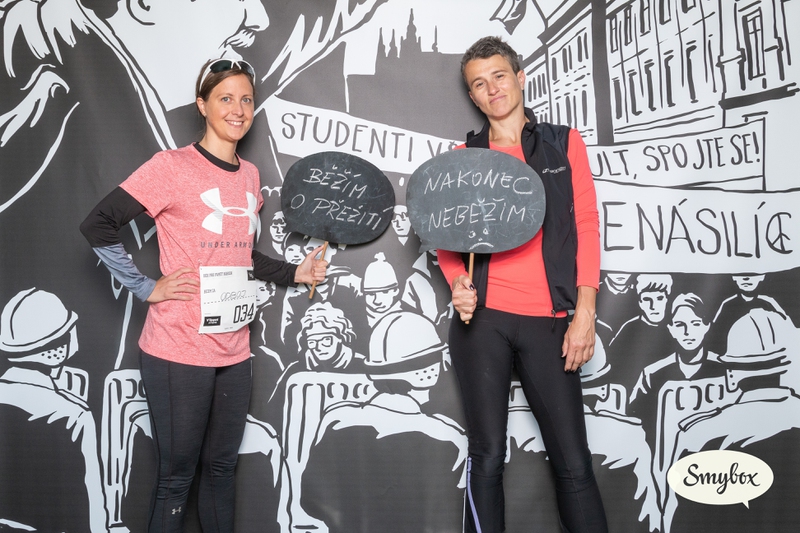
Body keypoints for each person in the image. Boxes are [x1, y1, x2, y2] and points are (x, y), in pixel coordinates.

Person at [79, 59, 328, 533]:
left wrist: (296, 272)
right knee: (177, 478)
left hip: (233, 349)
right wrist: (145, 286)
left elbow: (240, 255)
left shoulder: (250, 175)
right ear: (202, 105)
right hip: (178, 348)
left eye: (246, 99)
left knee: (221, 471)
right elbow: (98, 224)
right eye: (225, 98)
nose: (238, 109)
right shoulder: (171, 167)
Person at [436, 37, 608, 532]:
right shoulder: (463, 156)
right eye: (479, 84)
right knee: (487, 457)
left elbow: (586, 226)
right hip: (483, 322)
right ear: (472, 95)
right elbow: (447, 239)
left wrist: (585, 312)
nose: (492, 89)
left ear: (520, 77)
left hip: (551, 320)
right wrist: (458, 282)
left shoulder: (562, 142)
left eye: (499, 76)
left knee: (573, 461)